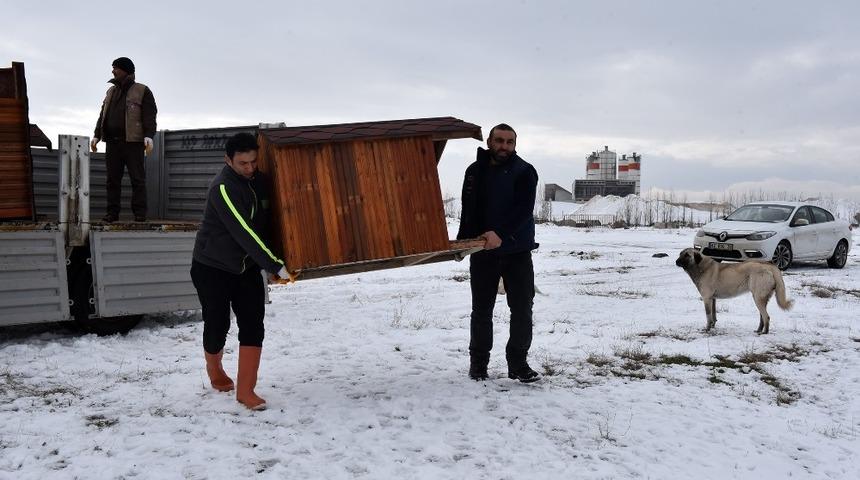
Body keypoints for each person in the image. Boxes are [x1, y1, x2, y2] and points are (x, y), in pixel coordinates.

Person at [190, 132, 293, 410]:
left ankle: (246, 390)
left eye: (253, 162)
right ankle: (215, 370)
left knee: (253, 324)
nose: (249, 168)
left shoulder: (259, 182)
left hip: (246, 268)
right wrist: (274, 265)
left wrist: (278, 259)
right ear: (228, 160)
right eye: (242, 163)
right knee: (218, 325)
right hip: (212, 268)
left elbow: (268, 225)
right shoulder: (222, 188)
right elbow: (244, 232)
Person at [457, 123, 540, 383]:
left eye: (509, 142)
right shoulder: (474, 171)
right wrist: (463, 243)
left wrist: (500, 233)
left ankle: (518, 364)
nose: (504, 146)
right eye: (500, 140)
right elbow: (468, 210)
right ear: (490, 142)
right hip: (483, 251)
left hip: (517, 251)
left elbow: (523, 210)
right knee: (481, 310)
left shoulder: (525, 172)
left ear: (515, 145)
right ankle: (478, 365)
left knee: (522, 309)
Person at [91, 57, 157, 223]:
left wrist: (149, 135)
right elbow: (102, 115)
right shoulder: (110, 92)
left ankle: (140, 214)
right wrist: (97, 134)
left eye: (116, 68)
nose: (113, 71)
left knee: (137, 179)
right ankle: (112, 214)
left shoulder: (142, 90)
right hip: (112, 143)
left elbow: (150, 115)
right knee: (112, 180)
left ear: (126, 70)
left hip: (133, 143)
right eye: (113, 68)